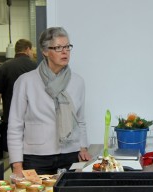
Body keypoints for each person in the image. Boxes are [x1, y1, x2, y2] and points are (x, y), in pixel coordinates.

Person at [7, 27, 92, 176]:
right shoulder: (26, 81)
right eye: (58, 47)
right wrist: (17, 165)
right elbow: (15, 125)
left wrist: (83, 147)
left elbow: (80, 120)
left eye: (67, 47)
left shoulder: (78, 82)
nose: (65, 51)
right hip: (36, 157)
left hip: (70, 154)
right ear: (45, 51)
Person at [0, 39, 37, 158]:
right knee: (33, 153)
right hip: (33, 119)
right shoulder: (36, 67)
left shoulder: (5, 67)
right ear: (27, 49)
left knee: (14, 153)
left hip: (11, 119)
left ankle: (17, 173)